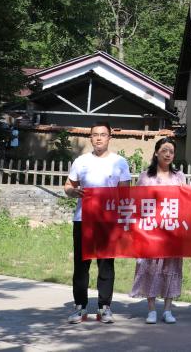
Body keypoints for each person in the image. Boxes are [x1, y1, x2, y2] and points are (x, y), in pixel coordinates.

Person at [63, 123, 131, 324]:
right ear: (90, 138)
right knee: (81, 265)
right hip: (83, 219)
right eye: (95, 135)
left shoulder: (119, 162)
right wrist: (73, 191)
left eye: (103, 134)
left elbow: (125, 192)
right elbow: (68, 186)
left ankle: (104, 307)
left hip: (108, 221)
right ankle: (80, 307)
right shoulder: (81, 161)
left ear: (110, 137)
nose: (99, 138)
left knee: (106, 264)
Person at [130, 137, 185, 324]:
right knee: (150, 268)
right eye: (164, 150)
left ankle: (168, 310)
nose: (168, 154)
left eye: (171, 151)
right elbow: (137, 203)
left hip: (172, 230)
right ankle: (152, 309)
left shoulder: (179, 177)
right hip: (150, 231)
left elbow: (185, 202)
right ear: (156, 152)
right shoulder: (146, 177)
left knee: (171, 268)